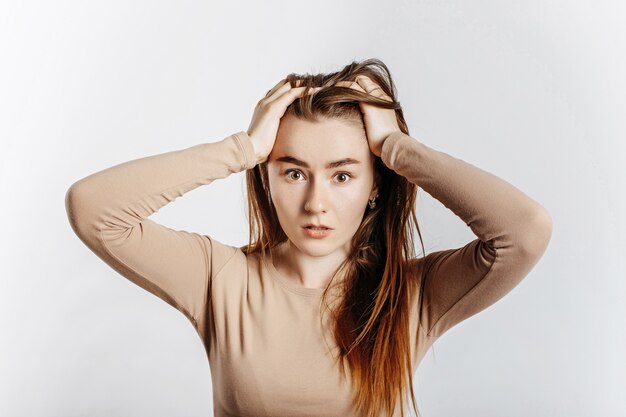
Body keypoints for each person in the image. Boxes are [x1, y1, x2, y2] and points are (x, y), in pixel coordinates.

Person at [65, 58, 553, 417]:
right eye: (294, 173)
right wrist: (244, 148)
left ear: (374, 186)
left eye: (342, 176)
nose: (315, 202)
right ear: (268, 178)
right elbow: (94, 210)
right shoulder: (219, 278)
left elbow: (524, 232)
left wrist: (395, 148)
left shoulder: (410, 294)